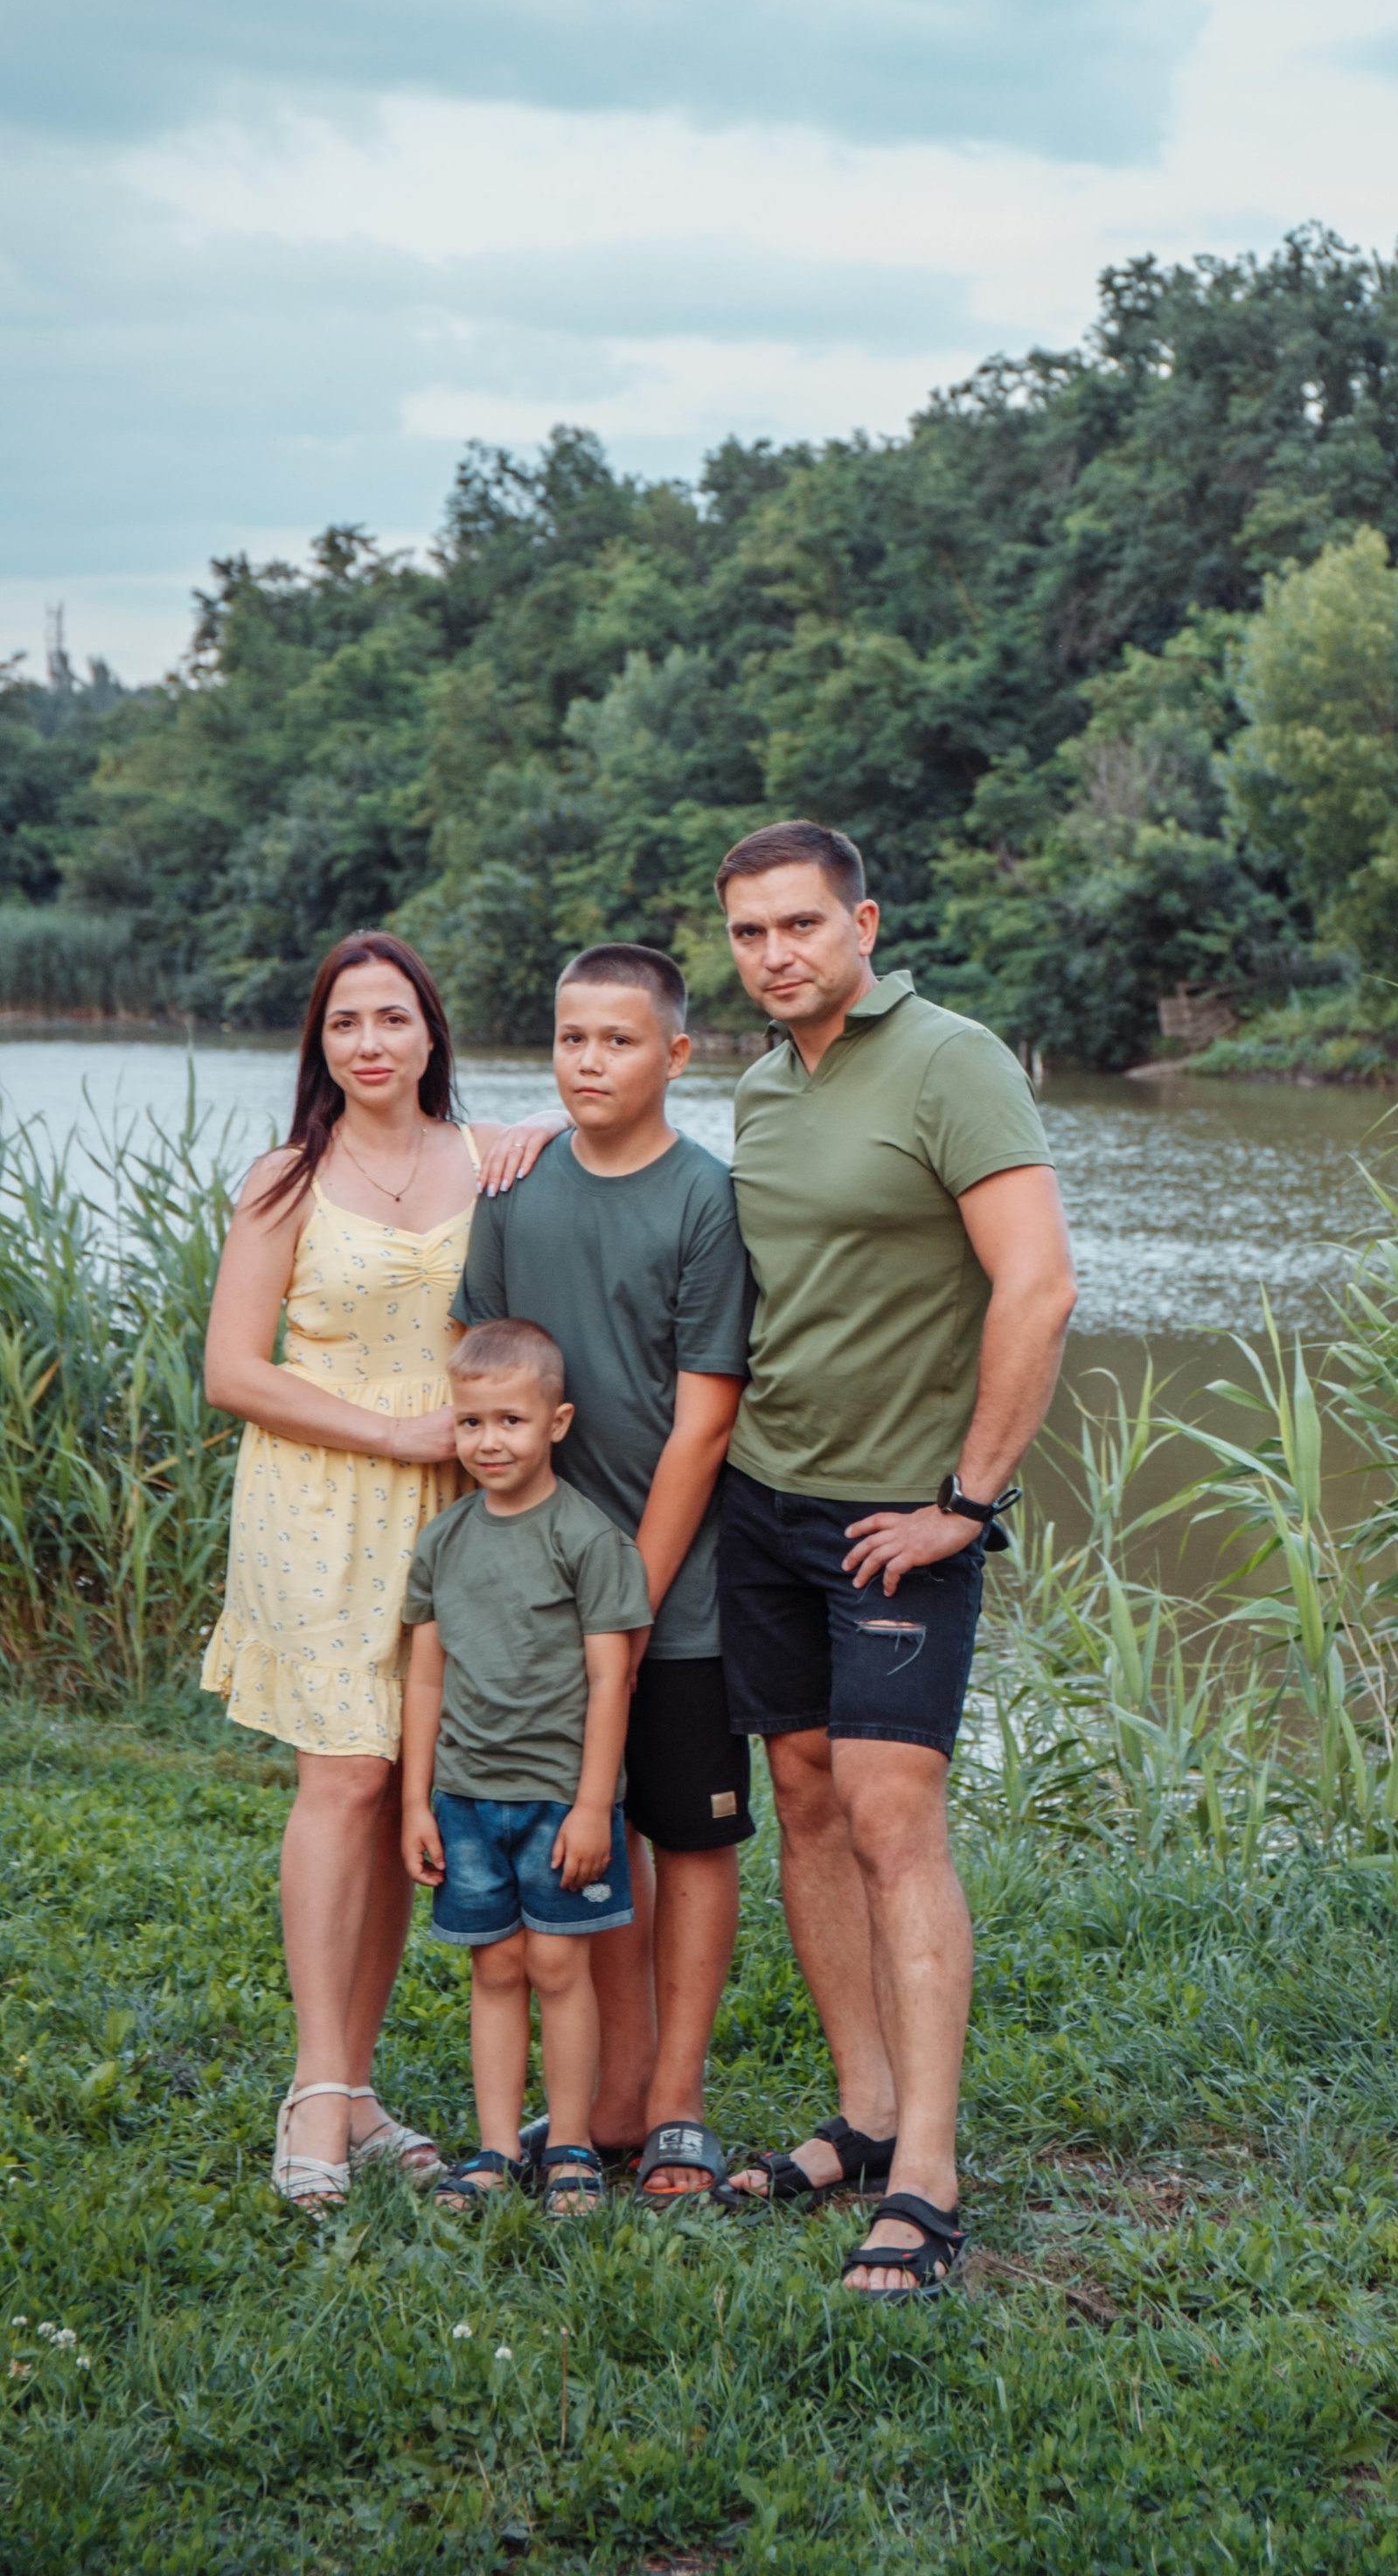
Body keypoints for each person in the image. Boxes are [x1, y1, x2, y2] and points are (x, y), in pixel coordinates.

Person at [712, 820, 1076, 2295]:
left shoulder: (952, 1060)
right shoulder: (753, 1088)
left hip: (898, 1518)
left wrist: (967, 1502)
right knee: (803, 1796)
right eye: (748, 934)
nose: (776, 954)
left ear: (866, 921)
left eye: (801, 924)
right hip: (765, 1499)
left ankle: (926, 2174)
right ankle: (862, 2114)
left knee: (890, 1814)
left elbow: (1038, 1289)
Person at [202, 932, 559, 2211]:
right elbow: (233, 1371)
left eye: (392, 1019)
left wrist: (532, 1132)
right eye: (345, 1022)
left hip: (464, 1506)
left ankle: (357, 2089)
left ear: (430, 1034)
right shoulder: (286, 1182)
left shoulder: (493, 1161)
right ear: (321, 1044)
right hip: (321, 1494)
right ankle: (311, 2088)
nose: (369, 1043)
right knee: (344, 1781)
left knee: (412, 1781)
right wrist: (395, 1431)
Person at [452, 941, 754, 2205]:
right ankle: (608, 2096)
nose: (589, 1061)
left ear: (676, 1055)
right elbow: (479, 1376)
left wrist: (624, 1598)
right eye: (572, 1038)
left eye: (619, 1041)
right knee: (591, 1831)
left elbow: (705, 1422)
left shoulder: (703, 1198)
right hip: (535, 1609)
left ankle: (675, 2099)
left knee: (685, 1835)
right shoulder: (515, 1195)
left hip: (672, 1595)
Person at [400, 1318, 652, 2216]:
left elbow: (610, 1677)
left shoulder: (587, 1537)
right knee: (494, 1968)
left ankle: (573, 2144)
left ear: (557, 1421)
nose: (487, 1440)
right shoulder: (443, 1540)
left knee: (556, 1966)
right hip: (464, 1796)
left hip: (557, 1799)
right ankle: (499, 2147)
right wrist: (413, 1804)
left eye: (509, 1419)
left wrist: (594, 1807)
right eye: (470, 1422)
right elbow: (425, 1674)